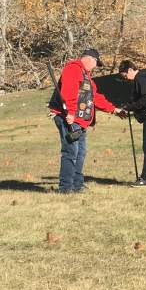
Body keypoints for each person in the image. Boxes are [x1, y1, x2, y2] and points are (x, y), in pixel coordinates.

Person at [48, 48, 122, 194]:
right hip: (68, 118)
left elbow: (95, 97)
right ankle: (65, 188)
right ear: (89, 59)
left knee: (80, 152)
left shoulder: (86, 76)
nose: (95, 66)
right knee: (71, 151)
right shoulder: (73, 69)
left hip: (80, 120)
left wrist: (114, 109)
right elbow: (68, 92)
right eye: (96, 62)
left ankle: (77, 184)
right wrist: (70, 113)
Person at [117, 60, 146, 187]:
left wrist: (130, 107)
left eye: (125, 76)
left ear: (130, 70)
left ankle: (144, 178)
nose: (126, 79)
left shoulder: (140, 79)